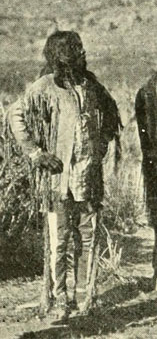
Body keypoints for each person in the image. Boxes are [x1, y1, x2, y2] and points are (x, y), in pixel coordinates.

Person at [9, 31, 121, 322]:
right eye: (74, 51)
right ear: (59, 57)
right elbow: (15, 115)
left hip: (88, 179)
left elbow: (111, 114)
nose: (81, 55)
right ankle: (60, 300)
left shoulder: (92, 86)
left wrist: (103, 142)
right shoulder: (44, 87)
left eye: (81, 50)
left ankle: (84, 299)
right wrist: (36, 154)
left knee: (87, 236)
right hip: (57, 182)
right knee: (58, 242)